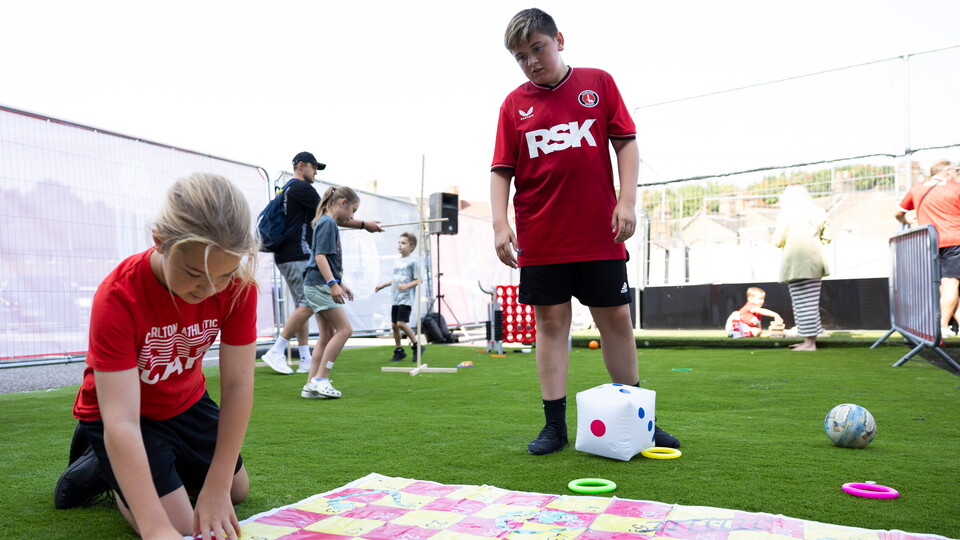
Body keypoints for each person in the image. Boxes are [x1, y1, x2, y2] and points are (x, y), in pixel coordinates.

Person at [490, 8, 679, 455]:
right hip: (540, 236)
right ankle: (554, 427)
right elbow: (501, 171)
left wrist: (626, 200)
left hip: (599, 232)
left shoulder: (598, 83)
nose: (532, 61)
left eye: (537, 48)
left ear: (559, 40)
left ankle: (642, 423)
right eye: (521, 56)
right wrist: (501, 225)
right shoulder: (514, 105)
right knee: (551, 324)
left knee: (615, 320)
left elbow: (626, 143)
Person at [54, 173, 259, 540]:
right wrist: (154, 527)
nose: (209, 290)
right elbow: (122, 421)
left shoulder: (240, 287)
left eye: (223, 275)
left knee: (234, 491)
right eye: (195, 273)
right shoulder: (118, 297)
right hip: (123, 414)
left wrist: (215, 487)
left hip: (186, 399)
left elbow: (239, 384)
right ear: (161, 241)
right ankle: (104, 465)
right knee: (180, 526)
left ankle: (155, 465)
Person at [261, 151, 382, 375]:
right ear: (300, 166)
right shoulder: (302, 189)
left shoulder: (287, 189)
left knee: (303, 305)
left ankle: (306, 357)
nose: (316, 171)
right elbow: (331, 215)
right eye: (313, 166)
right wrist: (364, 224)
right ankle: (277, 350)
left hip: (287, 254)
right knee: (307, 304)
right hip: (297, 253)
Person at [299, 186, 360, 399]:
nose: (352, 216)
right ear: (343, 202)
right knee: (345, 330)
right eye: (353, 209)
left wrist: (339, 283)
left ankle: (310, 385)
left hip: (316, 283)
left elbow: (324, 259)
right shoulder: (328, 223)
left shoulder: (325, 222)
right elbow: (320, 257)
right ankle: (321, 379)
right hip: (319, 284)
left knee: (326, 335)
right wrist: (333, 283)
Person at [895, 160, 960, 336]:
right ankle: (942, 327)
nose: (956, 174)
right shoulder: (956, 187)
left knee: (944, 285)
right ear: (948, 171)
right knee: (951, 283)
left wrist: (907, 220)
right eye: (955, 171)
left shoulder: (918, 188)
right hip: (955, 239)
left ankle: (948, 325)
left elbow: (898, 213)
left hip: (930, 242)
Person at [773, 184, 831, 351]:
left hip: (794, 264)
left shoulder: (786, 214)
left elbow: (778, 241)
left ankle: (809, 343)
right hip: (815, 263)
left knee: (801, 304)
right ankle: (808, 340)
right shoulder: (819, 212)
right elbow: (827, 238)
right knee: (810, 303)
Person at [374, 232, 425, 362]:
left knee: (401, 323)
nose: (400, 245)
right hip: (395, 298)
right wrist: (383, 285)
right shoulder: (397, 261)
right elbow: (395, 280)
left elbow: (419, 280)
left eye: (403, 243)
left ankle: (417, 345)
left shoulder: (413, 262)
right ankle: (399, 350)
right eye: (399, 243)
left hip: (406, 298)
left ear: (412, 247)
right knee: (394, 325)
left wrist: (406, 286)